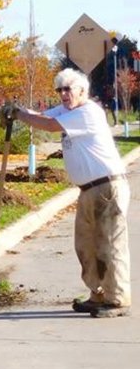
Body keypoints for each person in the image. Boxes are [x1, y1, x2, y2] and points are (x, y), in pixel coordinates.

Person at [8, 68, 130, 317]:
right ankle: (97, 294)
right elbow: (41, 115)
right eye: (59, 89)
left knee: (109, 245)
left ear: (82, 91)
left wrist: (19, 115)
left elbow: (50, 125)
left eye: (68, 89)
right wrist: (15, 110)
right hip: (88, 190)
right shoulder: (67, 110)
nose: (63, 94)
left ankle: (116, 299)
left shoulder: (88, 112)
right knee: (86, 245)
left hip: (107, 187)